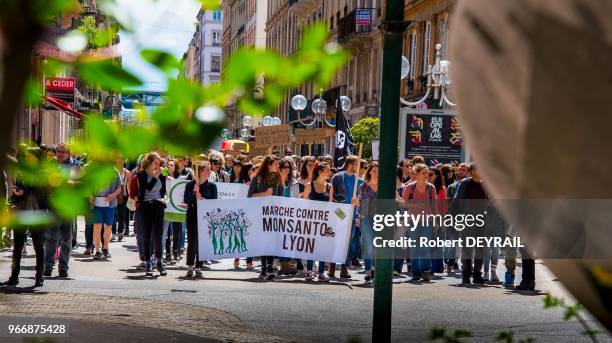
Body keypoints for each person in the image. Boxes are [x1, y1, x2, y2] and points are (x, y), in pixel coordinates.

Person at [4, 147, 48, 287]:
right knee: (17, 246)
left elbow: (38, 187)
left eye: (31, 156)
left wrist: (24, 188)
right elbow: (20, 188)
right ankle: (14, 276)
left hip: (37, 213)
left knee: (38, 246)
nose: (28, 159)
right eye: (27, 156)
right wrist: (16, 193)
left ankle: (39, 276)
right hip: (21, 212)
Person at [44, 143, 81, 278]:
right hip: (53, 206)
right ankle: (47, 267)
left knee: (66, 239)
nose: (58, 154)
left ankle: (63, 268)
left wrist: (75, 184)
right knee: (51, 238)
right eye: (57, 151)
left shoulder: (76, 166)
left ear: (69, 153)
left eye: (62, 152)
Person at [247, 155, 284, 280]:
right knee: (262, 241)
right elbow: (250, 196)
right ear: (268, 165)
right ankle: (263, 268)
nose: (278, 167)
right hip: (260, 214)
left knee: (271, 241)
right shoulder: (257, 178)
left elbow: (282, 198)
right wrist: (265, 194)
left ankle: (270, 267)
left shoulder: (279, 179)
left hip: (273, 214)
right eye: (276, 164)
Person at [452, 162, 489, 285]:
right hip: (467, 220)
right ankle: (466, 275)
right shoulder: (465, 183)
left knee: (480, 248)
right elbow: (458, 200)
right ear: (472, 171)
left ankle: (477, 275)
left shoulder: (485, 184)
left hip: (482, 220)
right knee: (467, 248)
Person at [401, 163, 437, 282]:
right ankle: (415, 272)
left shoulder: (431, 188)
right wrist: (417, 205)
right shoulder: (409, 187)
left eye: (428, 173)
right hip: (413, 221)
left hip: (427, 220)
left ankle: (425, 270)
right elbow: (404, 203)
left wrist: (436, 221)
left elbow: (434, 207)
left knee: (424, 246)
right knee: (414, 247)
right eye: (424, 173)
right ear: (416, 174)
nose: (427, 175)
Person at [329, 155, 363, 279]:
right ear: (350, 164)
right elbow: (332, 198)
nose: (358, 167)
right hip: (339, 213)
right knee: (335, 241)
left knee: (347, 243)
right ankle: (332, 266)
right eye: (356, 164)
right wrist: (342, 216)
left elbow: (361, 200)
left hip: (352, 215)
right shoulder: (338, 177)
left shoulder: (359, 181)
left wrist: (358, 214)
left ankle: (344, 267)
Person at [182, 161, 218, 277]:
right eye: (207, 170)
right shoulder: (190, 185)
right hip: (192, 213)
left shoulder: (212, 186)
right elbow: (187, 200)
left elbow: (214, 202)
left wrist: (201, 197)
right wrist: (194, 192)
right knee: (192, 240)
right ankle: (190, 265)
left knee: (201, 241)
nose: (209, 172)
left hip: (205, 216)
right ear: (200, 172)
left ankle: (199, 265)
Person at [137, 152, 168, 277]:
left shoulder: (163, 173)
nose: (158, 165)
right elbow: (147, 188)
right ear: (149, 163)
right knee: (146, 236)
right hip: (145, 207)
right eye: (155, 163)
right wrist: (156, 175)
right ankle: (148, 263)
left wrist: (165, 199)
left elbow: (164, 189)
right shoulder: (141, 174)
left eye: (159, 163)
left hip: (158, 206)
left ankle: (160, 262)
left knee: (158, 236)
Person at [302, 162, 332, 282]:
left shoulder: (329, 186)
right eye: (327, 170)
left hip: (325, 221)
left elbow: (331, 205)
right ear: (320, 172)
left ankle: (321, 272)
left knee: (322, 246)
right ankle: (309, 269)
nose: (330, 173)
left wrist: (345, 214)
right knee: (311, 245)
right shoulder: (309, 185)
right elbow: (302, 204)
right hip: (311, 220)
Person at [91, 164, 122, 260]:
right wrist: (89, 195)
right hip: (96, 203)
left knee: (108, 227)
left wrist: (112, 195)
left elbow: (119, 188)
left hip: (110, 203)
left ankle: (105, 248)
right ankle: (97, 251)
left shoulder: (115, 171)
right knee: (97, 226)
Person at [278, 158, 301, 275]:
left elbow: (297, 198)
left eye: (288, 167)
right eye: (284, 167)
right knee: (279, 239)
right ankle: (282, 265)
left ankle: (286, 264)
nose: (286, 169)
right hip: (277, 214)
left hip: (290, 214)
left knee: (288, 239)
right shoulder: (275, 181)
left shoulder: (294, 182)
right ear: (280, 168)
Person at [358, 162, 378, 284]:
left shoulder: (384, 186)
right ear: (370, 171)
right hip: (365, 217)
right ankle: (367, 271)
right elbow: (360, 204)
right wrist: (356, 204)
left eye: (379, 171)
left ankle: (375, 268)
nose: (376, 174)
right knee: (368, 243)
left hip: (379, 217)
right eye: (374, 171)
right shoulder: (363, 186)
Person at [428, 167, 447, 274]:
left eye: (430, 174)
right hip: (426, 219)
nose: (428, 177)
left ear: (436, 176)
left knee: (437, 244)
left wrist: (443, 222)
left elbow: (443, 207)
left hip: (438, 219)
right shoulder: (425, 188)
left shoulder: (442, 189)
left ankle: (437, 267)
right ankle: (428, 267)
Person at [112, 159, 131, 242]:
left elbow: (129, 186)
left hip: (124, 196)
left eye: (121, 160)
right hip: (113, 195)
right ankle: (113, 232)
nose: (119, 162)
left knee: (121, 214)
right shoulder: (112, 171)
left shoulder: (127, 173)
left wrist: (130, 197)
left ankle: (120, 232)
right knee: (113, 214)